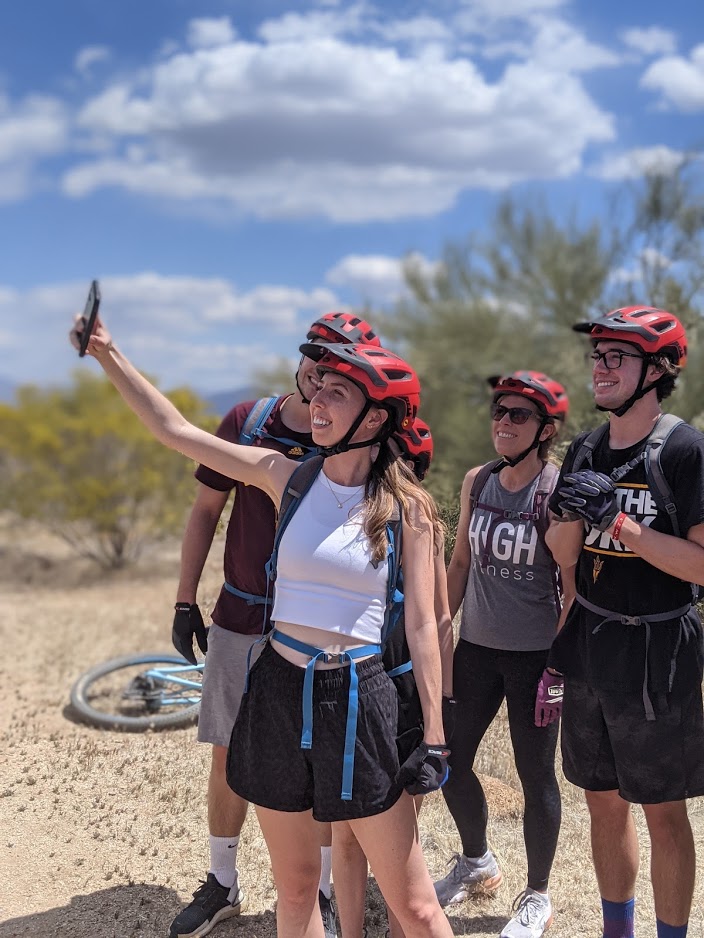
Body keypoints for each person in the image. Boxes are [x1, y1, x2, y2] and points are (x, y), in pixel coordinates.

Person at [71, 316, 454, 938]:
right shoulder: (287, 476)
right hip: (277, 690)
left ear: (376, 417)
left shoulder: (408, 508)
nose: (317, 400)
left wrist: (435, 736)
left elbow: (421, 626)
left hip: (359, 697)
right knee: (297, 890)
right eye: (319, 386)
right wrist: (108, 352)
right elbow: (174, 431)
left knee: (413, 905)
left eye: (337, 392)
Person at [169, 311, 380, 938]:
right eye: (316, 360)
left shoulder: (349, 436)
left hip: (316, 631)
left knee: (315, 760)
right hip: (241, 614)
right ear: (301, 359)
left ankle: (315, 891)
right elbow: (206, 509)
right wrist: (186, 599)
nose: (322, 380)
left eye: (338, 369)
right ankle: (222, 880)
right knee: (228, 753)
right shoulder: (248, 423)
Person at [546, 306, 704, 938]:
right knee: (601, 802)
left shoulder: (687, 449)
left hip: (659, 651)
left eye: (618, 356)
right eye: (598, 355)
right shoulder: (586, 446)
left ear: (657, 369)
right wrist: (564, 513)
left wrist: (620, 523)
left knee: (663, 812)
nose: (601, 368)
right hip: (592, 641)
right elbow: (565, 554)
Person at [434, 371, 573, 938]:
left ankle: (536, 895)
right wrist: (438, 635)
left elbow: (572, 586)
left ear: (547, 429)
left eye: (519, 414)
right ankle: (476, 860)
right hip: (476, 649)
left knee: (535, 775)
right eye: (499, 411)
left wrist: (558, 667)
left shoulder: (556, 491)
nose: (504, 422)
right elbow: (461, 563)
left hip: (534, 658)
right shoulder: (479, 480)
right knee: (446, 759)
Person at [330, 418, 455, 938]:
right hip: (396, 689)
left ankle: (360, 929)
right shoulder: (416, 514)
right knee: (399, 837)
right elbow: (441, 619)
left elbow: (437, 616)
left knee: (350, 835)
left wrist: (437, 715)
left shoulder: (403, 515)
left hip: (368, 689)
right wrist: (440, 705)